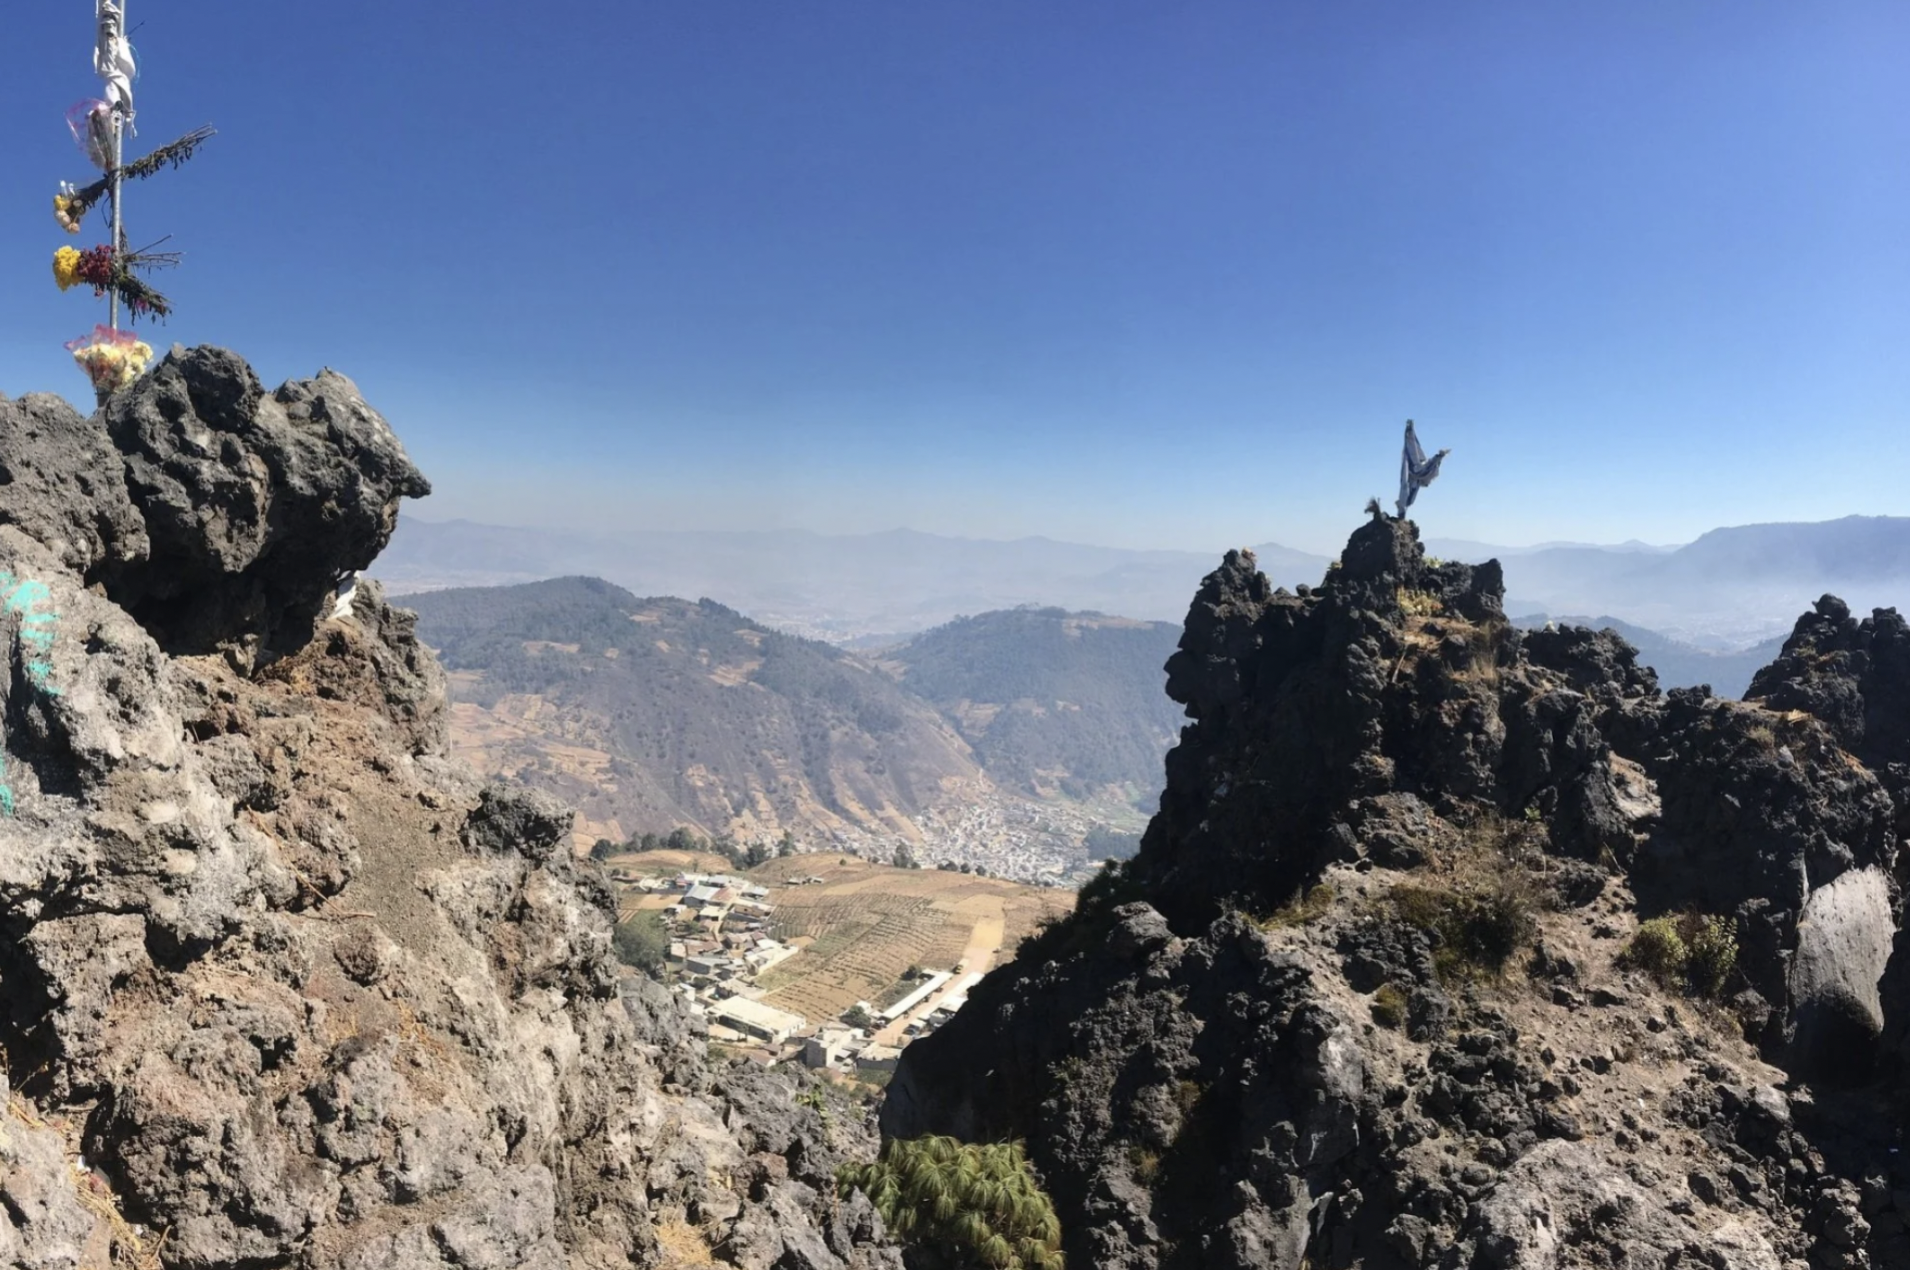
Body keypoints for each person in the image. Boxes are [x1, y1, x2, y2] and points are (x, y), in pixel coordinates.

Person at [1395, 419, 1450, 518]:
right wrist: (1410, 429)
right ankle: (1401, 512)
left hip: (1417, 475)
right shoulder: (1423, 468)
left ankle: (1401, 512)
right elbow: (1413, 447)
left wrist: (1440, 457)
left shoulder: (1427, 471)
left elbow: (1431, 464)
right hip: (1416, 471)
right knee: (1406, 491)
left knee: (1408, 498)